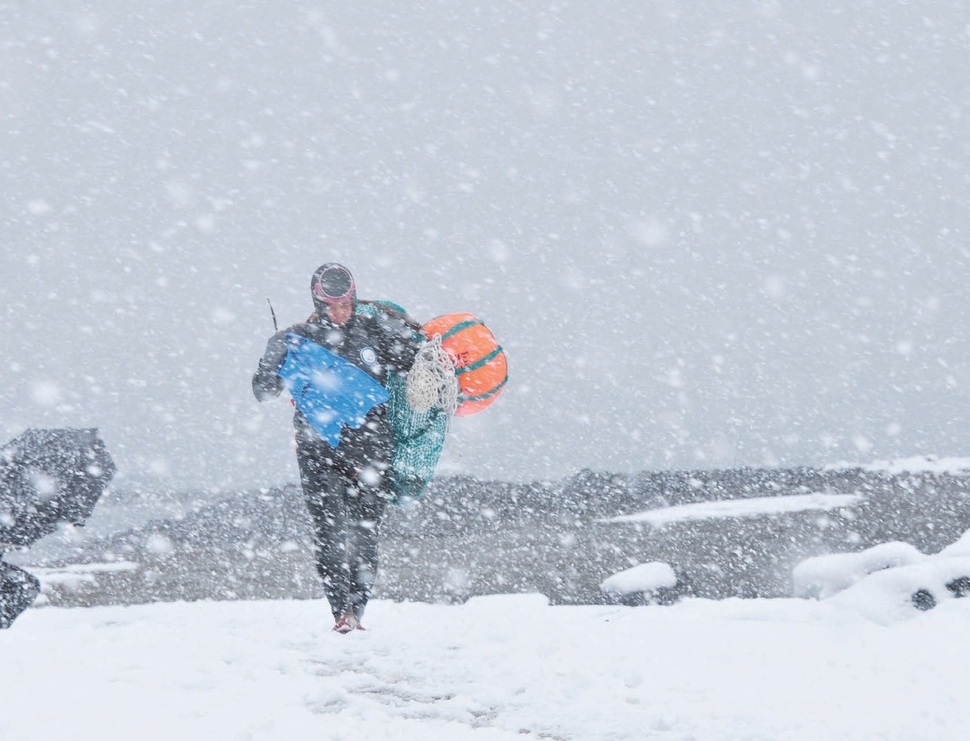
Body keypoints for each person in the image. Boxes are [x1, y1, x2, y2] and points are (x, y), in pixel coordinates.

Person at [252, 263, 421, 633]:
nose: (342, 312)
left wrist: (414, 335)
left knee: (364, 531)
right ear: (318, 301)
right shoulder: (298, 338)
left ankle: (356, 611)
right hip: (318, 449)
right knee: (328, 531)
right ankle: (339, 612)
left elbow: (415, 363)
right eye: (334, 306)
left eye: (347, 304)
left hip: (371, 449)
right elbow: (263, 392)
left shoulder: (374, 332)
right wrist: (275, 360)